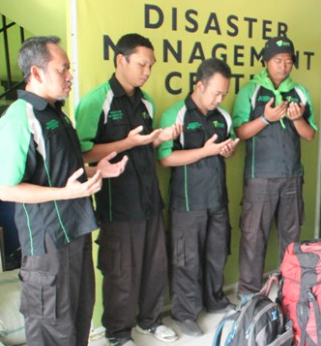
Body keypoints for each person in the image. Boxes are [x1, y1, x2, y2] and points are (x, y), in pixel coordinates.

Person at [0, 36, 127, 346]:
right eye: (63, 69)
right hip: (47, 245)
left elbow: (58, 171)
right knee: (51, 328)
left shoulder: (56, 113)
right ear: (37, 72)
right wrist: (64, 194)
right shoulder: (19, 118)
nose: (70, 76)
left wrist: (97, 171)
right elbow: (5, 189)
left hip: (77, 231)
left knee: (78, 318)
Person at [74, 33, 180, 346]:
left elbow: (144, 148)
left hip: (148, 199)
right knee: (121, 271)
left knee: (154, 265)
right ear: (121, 60)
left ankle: (149, 321)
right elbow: (81, 154)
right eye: (141, 64)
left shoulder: (146, 102)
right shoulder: (97, 101)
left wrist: (158, 139)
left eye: (151, 65)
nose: (147, 71)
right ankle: (118, 333)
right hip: (117, 204)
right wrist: (128, 142)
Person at [158, 58, 239, 337]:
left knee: (217, 255)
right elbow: (165, 158)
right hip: (187, 203)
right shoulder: (176, 115)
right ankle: (185, 314)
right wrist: (204, 152)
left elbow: (227, 149)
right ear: (200, 85)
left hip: (217, 198)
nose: (220, 98)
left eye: (224, 94)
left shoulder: (223, 116)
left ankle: (215, 300)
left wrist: (227, 151)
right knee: (186, 260)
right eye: (216, 92)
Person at [232, 36, 316, 297]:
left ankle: (289, 292)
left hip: (291, 176)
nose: (283, 66)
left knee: (290, 238)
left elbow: (309, 134)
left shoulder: (299, 92)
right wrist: (266, 118)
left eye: (288, 61)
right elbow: (241, 132)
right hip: (260, 178)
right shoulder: (251, 90)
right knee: (253, 238)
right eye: (278, 60)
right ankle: (248, 294)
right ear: (266, 61)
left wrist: (298, 119)